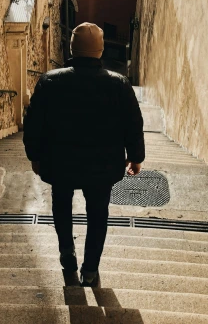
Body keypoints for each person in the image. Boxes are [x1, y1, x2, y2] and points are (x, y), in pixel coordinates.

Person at [23, 22, 145, 286]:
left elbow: (34, 123)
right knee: (98, 213)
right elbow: (133, 123)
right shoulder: (119, 85)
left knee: (62, 206)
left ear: (72, 48)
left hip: (59, 162)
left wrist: (35, 155)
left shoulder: (50, 81)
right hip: (102, 166)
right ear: (100, 51)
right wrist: (136, 156)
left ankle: (67, 253)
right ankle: (90, 270)